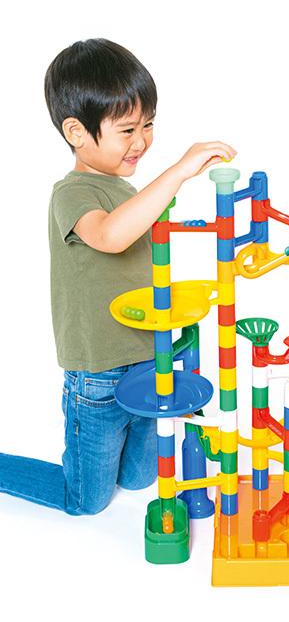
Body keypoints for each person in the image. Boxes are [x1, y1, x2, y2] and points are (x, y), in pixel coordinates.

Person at [0, 38, 236, 514]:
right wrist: (178, 171)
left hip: (148, 358)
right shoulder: (72, 192)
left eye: (148, 125)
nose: (142, 141)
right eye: (127, 129)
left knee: (140, 477)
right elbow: (110, 236)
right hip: (99, 374)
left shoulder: (129, 191)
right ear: (76, 131)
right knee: (86, 501)